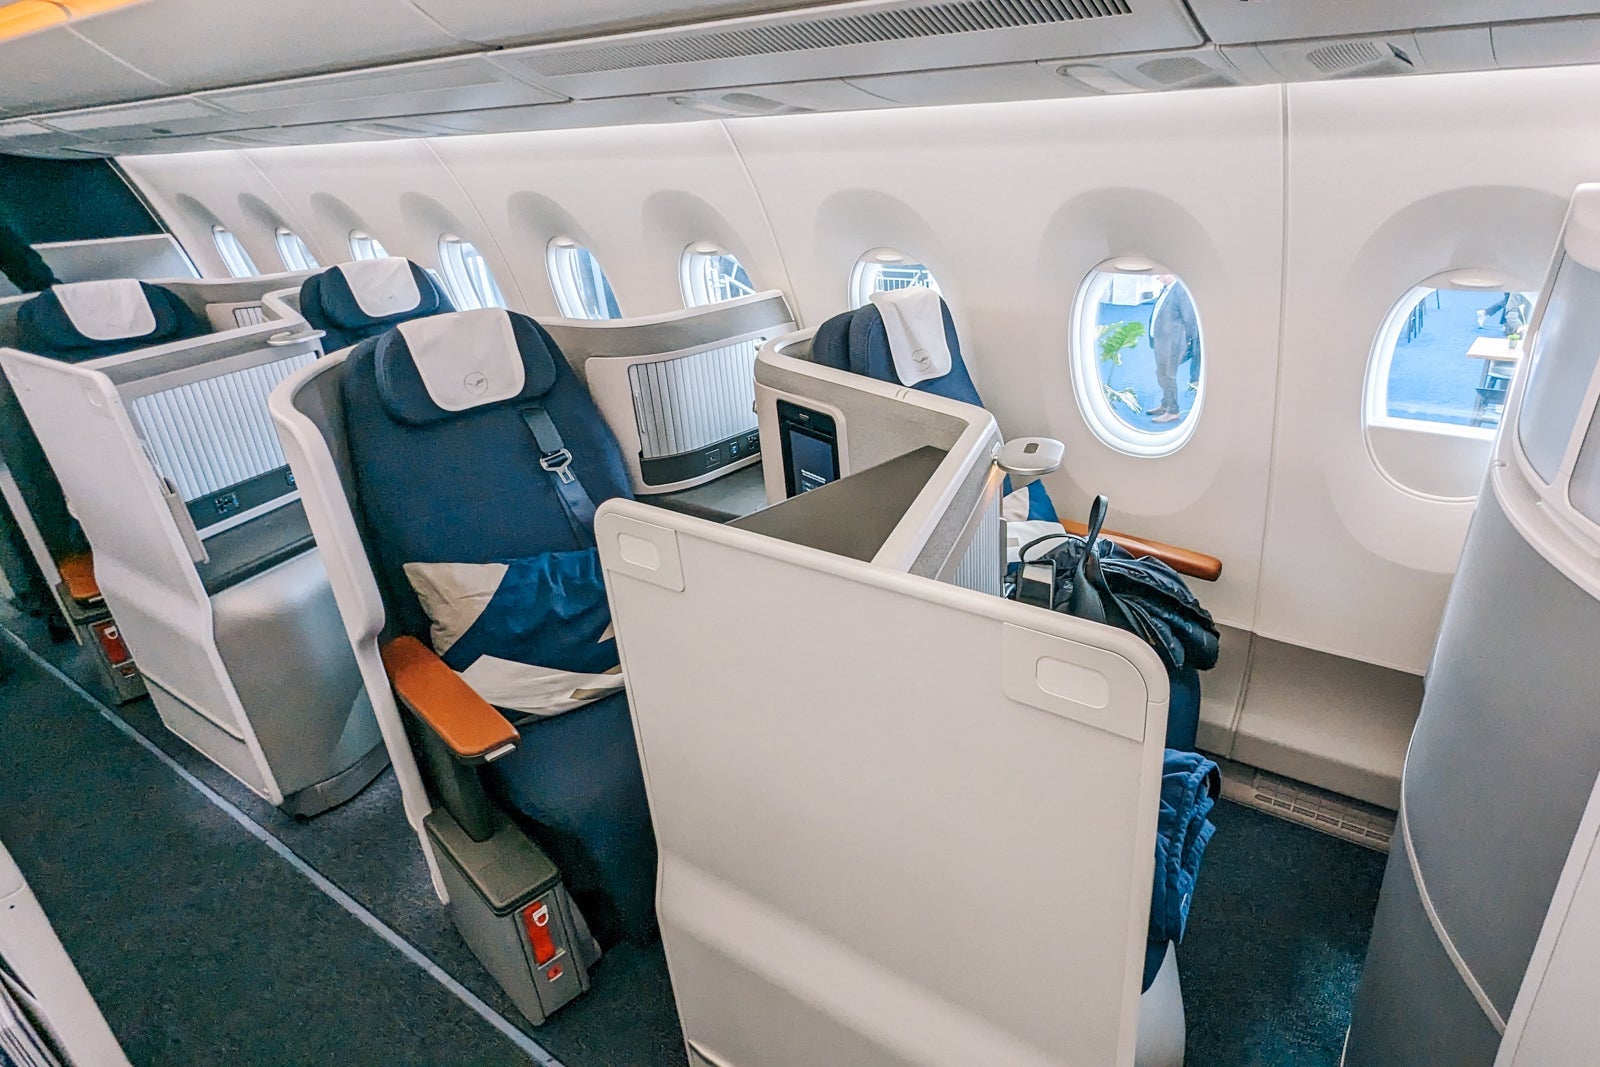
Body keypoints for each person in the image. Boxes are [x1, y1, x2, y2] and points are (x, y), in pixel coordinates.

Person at [1147, 278, 1199, 424]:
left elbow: (1189, 319)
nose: (1157, 277)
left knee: (1168, 375)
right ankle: (1166, 404)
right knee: (1161, 373)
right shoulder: (1167, 288)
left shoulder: (1180, 291)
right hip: (1161, 342)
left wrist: (1190, 343)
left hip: (1172, 344)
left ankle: (1172, 412)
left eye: (1161, 274)